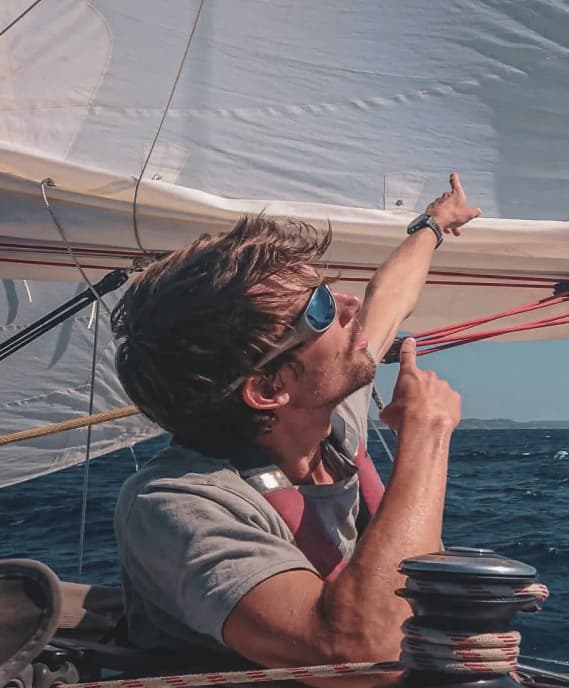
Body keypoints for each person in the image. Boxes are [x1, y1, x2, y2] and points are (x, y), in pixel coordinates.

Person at [109, 173, 480, 675]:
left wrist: (434, 224)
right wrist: (426, 433)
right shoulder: (175, 505)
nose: (350, 307)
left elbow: (388, 298)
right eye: (321, 309)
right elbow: (360, 648)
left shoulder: (320, 407)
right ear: (268, 389)